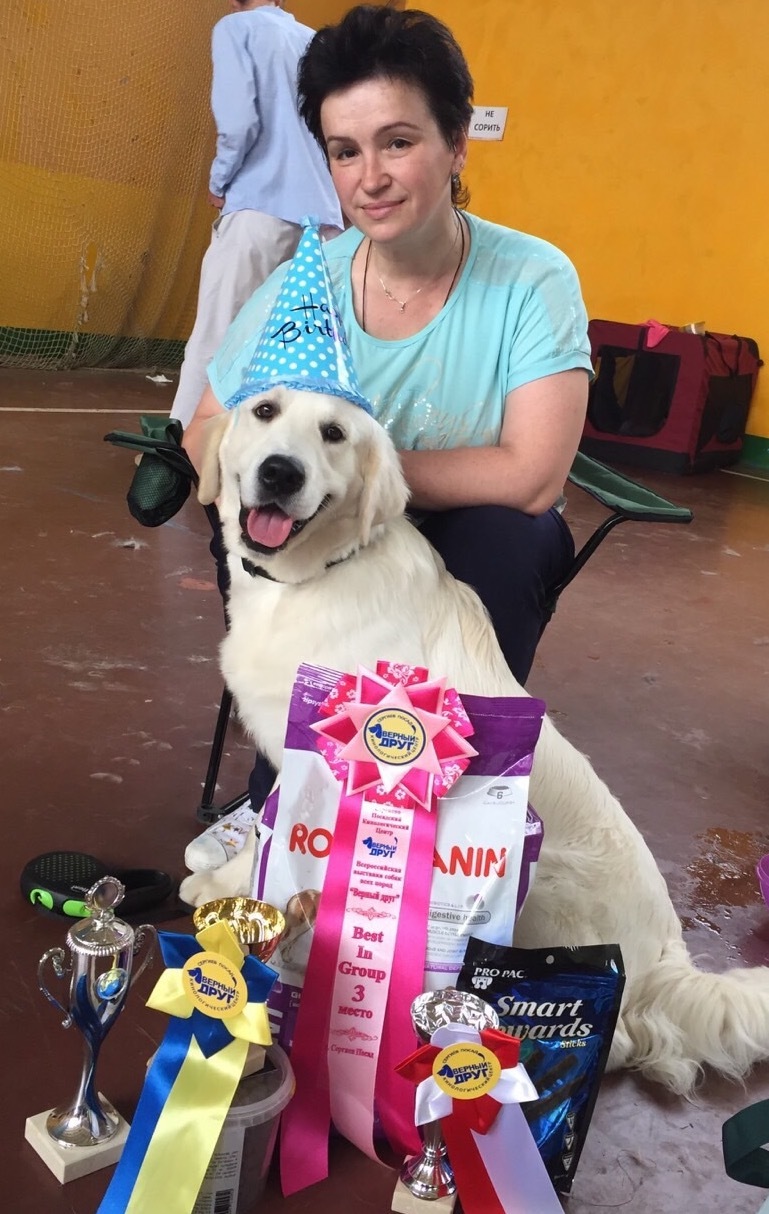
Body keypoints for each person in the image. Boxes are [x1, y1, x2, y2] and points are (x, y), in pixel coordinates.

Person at [182, 4, 593, 810]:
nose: (369, 177)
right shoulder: (302, 284)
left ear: (454, 143)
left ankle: (445, 801)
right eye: (344, 151)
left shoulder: (532, 278)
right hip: (319, 535)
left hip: (460, 536)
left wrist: (365, 481)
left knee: (510, 536)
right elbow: (205, 427)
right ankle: (296, 795)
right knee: (284, 516)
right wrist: (267, 482)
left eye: (397, 142)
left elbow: (533, 475)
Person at [170, 0, 342, 428]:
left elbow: (239, 123)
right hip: (324, 221)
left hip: (259, 211)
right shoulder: (311, 40)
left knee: (216, 337)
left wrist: (218, 181)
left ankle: (177, 452)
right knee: (299, 348)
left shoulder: (236, 27)